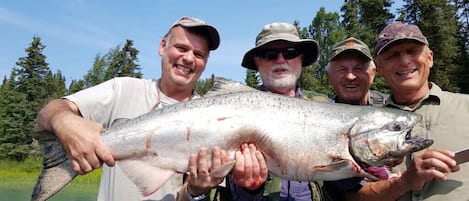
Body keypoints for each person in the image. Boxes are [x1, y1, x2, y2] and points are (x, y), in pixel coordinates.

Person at [36, 16, 251, 201]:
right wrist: (64, 122)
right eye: (181, 48)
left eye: (199, 54)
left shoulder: (218, 118)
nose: (188, 58)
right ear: (162, 47)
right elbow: (49, 112)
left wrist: (196, 190)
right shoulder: (123, 89)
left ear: (205, 62)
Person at [342, 21, 469, 201]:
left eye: (412, 51)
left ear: (430, 58)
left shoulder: (466, 107)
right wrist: (405, 182)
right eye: (392, 55)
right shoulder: (363, 127)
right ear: (379, 69)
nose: (404, 61)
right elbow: (354, 197)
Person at [228, 22, 330, 201]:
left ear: (301, 59)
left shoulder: (327, 108)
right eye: (271, 55)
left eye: (290, 53)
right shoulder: (234, 111)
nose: (281, 59)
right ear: (258, 62)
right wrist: (249, 189)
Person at [325, 37, 388, 106]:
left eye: (358, 69)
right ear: (329, 76)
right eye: (342, 69)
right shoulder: (319, 112)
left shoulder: (393, 108)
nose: (350, 77)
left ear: (373, 74)